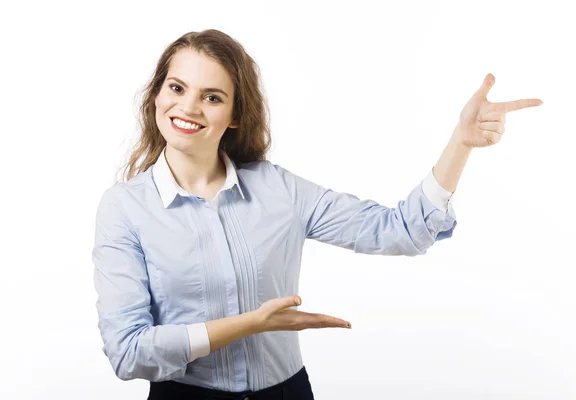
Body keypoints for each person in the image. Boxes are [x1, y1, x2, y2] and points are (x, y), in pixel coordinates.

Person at [92, 29, 542, 400]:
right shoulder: (124, 209)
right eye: (177, 88)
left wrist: (460, 143)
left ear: (233, 116)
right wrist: (252, 323)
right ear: (156, 95)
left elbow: (402, 230)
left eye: (212, 97)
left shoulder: (278, 190)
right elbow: (128, 353)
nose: (188, 107)